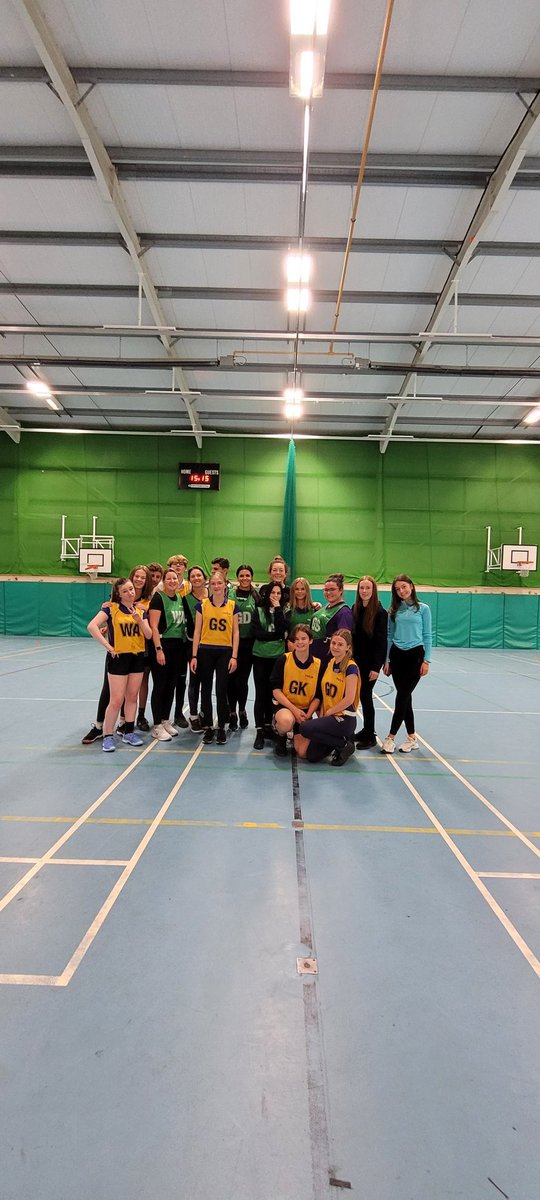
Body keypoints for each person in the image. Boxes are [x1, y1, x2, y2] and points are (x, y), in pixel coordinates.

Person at [81, 563, 153, 743]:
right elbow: (92, 626)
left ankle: (129, 731)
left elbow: (149, 634)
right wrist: (108, 646)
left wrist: (140, 620)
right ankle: (107, 735)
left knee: (132, 697)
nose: (130, 592)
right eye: (126, 590)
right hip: (118, 658)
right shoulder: (111, 609)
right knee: (116, 699)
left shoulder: (140, 610)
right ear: (119, 594)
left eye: (131, 590)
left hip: (136, 657)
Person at [381, 574, 432, 754]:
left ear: (411, 586)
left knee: (402, 696)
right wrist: (386, 660)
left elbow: (427, 636)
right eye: (397, 589)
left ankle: (390, 737)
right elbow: (389, 636)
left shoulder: (423, 609)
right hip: (397, 656)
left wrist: (427, 660)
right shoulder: (394, 611)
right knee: (406, 699)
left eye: (404, 587)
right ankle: (412, 738)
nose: (401, 591)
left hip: (415, 656)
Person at [295, 629, 360, 767]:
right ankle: (338, 741)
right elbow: (325, 695)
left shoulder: (351, 668)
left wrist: (329, 713)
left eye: (340, 644)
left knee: (305, 728)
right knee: (312, 756)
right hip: (330, 718)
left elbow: (349, 698)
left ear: (348, 647)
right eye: (333, 643)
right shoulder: (331, 663)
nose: (335, 647)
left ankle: (343, 744)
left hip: (344, 719)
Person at [190, 570, 239, 744]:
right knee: (205, 690)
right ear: (209, 586)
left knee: (221, 690)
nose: (216, 586)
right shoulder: (202, 605)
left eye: (220, 583)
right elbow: (196, 631)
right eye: (213, 583)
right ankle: (209, 727)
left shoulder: (232, 606)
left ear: (225, 585)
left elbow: (236, 632)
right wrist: (194, 655)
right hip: (205, 651)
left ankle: (221, 728)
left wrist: (234, 656)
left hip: (225, 651)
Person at [148, 568, 189, 742]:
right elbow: (154, 627)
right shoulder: (158, 598)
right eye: (169, 578)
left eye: (175, 578)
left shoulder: (180, 598)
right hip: (163, 645)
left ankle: (165, 720)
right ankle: (156, 725)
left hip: (178, 646)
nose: (173, 581)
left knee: (171, 684)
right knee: (160, 685)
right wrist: (158, 649)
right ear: (163, 581)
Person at [271, 623, 322, 757]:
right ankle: (281, 735)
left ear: (310, 641)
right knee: (286, 721)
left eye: (303, 638)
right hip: (287, 707)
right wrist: (294, 710)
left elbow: (318, 696)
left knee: (302, 753)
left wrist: (308, 715)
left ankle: (296, 734)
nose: (300, 642)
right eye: (297, 639)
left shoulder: (318, 664)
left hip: (306, 711)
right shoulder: (284, 660)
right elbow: (276, 690)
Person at [351, 576, 388, 749]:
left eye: (367, 588)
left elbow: (382, 642)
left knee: (366, 697)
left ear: (373, 591)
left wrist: (376, 666)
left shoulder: (380, 613)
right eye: (361, 588)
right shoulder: (355, 608)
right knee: (359, 696)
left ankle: (370, 735)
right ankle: (365, 730)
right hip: (356, 661)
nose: (364, 591)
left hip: (369, 664)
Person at [251, 582, 288, 749]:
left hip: (277, 658)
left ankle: (270, 726)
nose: (275, 595)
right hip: (260, 657)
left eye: (278, 593)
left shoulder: (283, 611)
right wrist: (274, 636)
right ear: (266, 594)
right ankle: (260, 730)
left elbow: (282, 630)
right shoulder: (258, 610)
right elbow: (257, 633)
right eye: (273, 592)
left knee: (274, 695)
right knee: (261, 694)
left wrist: (278, 608)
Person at [227, 564, 259, 730]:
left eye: (248, 575)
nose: (245, 578)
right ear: (237, 577)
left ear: (251, 577)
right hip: (231, 643)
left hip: (248, 643)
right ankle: (231, 711)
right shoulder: (229, 594)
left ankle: (242, 710)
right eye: (242, 575)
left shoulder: (256, 596)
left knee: (243, 680)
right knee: (231, 680)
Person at [183, 565, 209, 730]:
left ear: (204, 578)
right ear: (190, 579)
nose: (196, 578)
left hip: (212, 645)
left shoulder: (213, 596)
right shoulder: (186, 599)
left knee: (207, 682)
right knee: (195, 681)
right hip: (194, 644)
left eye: (199, 575)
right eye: (193, 576)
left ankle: (205, 713)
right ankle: (193, 715)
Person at [310, 573, 353, 664]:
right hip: (316, 656)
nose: (328, 593)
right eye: (326, 590)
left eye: (332, 589)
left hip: (328, 659)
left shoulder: (344, 612)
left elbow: (344, 641)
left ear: (340, 590)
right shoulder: (326, 607)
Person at [287, 576, 320, 646]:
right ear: (293, 591)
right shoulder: (288, 610)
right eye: (297, 589)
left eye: (302, 589)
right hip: (293, 647)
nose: (300, 592)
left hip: (310, 647)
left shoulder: (315, 609)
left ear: (307, 591)